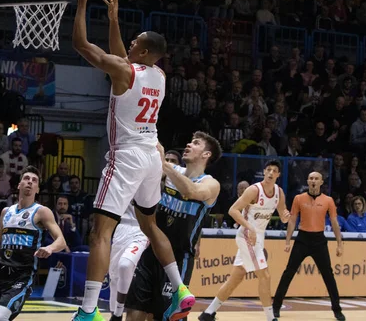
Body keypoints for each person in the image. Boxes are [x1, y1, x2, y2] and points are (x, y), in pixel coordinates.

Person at [71, 0, 193, 321]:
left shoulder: (125, 71)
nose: (130, 43)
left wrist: (82, 0)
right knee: (151, 227)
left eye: (134, 42)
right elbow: (122, 59)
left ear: (141, 51)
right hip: (152, 158)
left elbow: (81, 44)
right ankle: (180, 289)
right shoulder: (159, 76)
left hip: (125, 156)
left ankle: (88, 310)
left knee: (100, 232)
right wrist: (113, 21)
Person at [126, 132, 221, 321]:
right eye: (190, 140)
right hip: (151, 252)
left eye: (195, 143)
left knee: (166, 317)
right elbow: (152, 154)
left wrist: (164, 165)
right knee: (134, 312)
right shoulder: (171, 170)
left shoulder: (210, 183)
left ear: (206, 154)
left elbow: (190, 191)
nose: (188, 144)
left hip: (179, 259)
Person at [0, 166, 66, 321]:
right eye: (26, 179)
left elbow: (61, 241)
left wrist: (50, 248)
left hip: (22, 275)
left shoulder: (42, 212)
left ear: (37, 189)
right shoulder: (6, 212)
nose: (30, 182)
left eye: (34, 180)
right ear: (19, 185)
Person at [198, 160, 290, 321]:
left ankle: (208, 313)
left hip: (259, 236)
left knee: (236, 277)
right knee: (265, 276)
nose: (270, 173)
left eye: (274, 171)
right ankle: (270, 317)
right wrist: (250, 227)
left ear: (278, 175)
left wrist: (285, 216)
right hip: (247, 235)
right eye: (268, 169)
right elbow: (233, 210)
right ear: (264, 171)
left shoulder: (279, 192)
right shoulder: (254, 190)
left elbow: (283, 216)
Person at [271, 172, 345, 321]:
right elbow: (292, 220)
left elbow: (335, 222)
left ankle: (337, 309)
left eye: (316, 178)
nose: (313, 181)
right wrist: (287, 241)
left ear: (321, 182)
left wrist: (339, 243)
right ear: (307, 181)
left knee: (328, 275)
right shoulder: (299, 198)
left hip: (319, 240)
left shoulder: (328, 200)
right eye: (311, 178)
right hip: (302, 239)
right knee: (288, 273)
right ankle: (276, 307)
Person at [108, 204, 149, 321]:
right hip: (121, 227)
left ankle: (118, 312)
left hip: (142, 229)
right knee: (114, 277)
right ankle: (115, 315)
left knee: (125, 265)